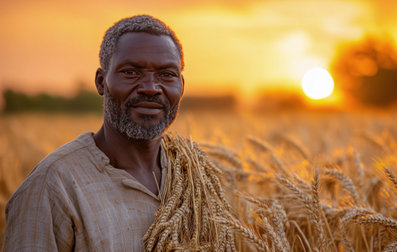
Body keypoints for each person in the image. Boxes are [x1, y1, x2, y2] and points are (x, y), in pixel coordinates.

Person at [3, 15, 234, 251]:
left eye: (167, 74)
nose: (151, 88)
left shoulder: (197, 179)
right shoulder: (52, 186)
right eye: (131, 72)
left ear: (181, 86)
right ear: (101, 82)